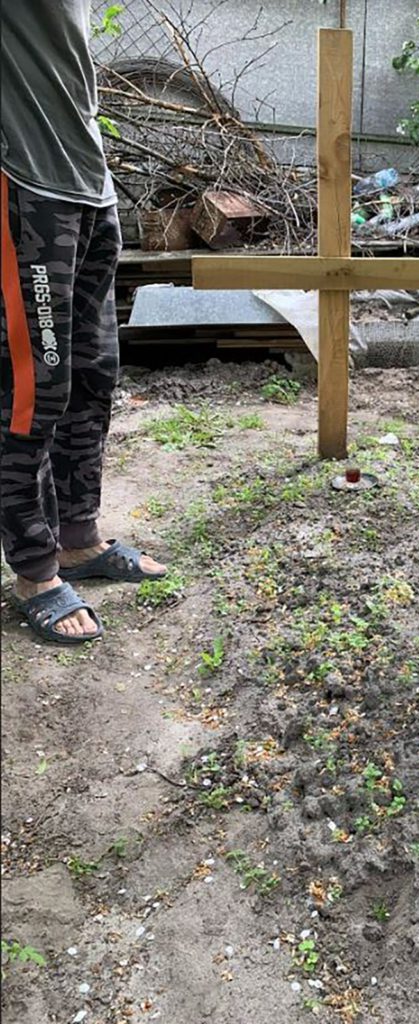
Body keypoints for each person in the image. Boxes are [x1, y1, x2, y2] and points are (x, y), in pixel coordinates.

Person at [1, 1, 166, 645]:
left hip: (88, 182)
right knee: (31, 388)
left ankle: (77, 539)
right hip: (24, 181)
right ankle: (35, 572)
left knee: (94, 375)